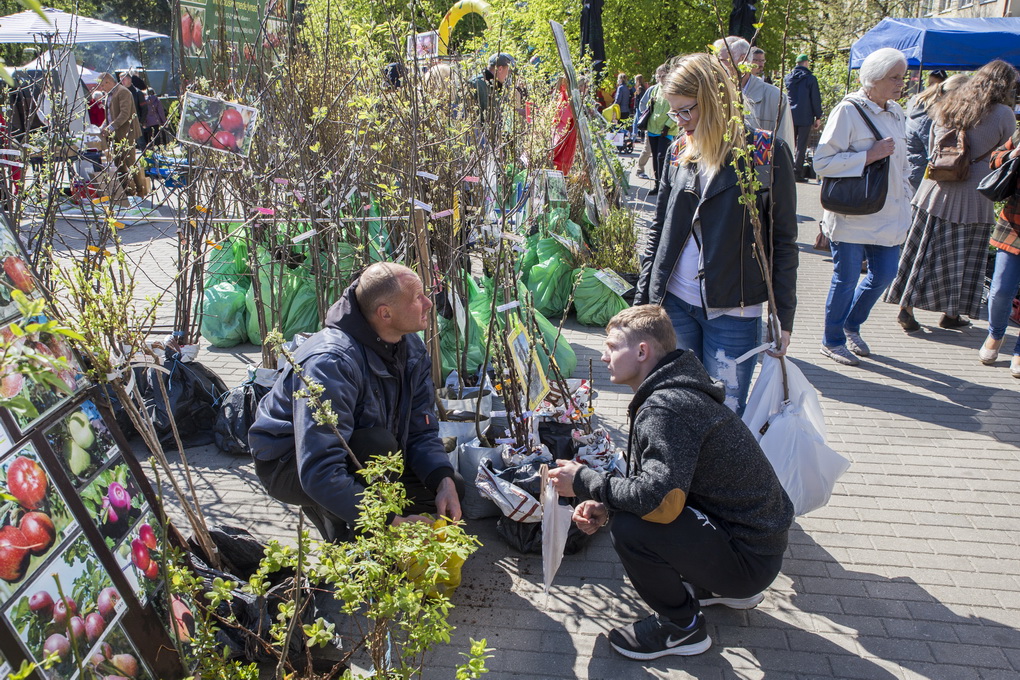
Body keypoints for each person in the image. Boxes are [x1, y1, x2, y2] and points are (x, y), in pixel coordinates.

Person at [548, 305, 793, 661]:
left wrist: (585, 481)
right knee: (632, 511)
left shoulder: (666, 408)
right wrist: (606, 502)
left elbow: (655, 497)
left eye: (612, 346)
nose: (603, 356)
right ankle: (717, 586)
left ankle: (682, 628)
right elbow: (666, 482)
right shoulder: (674, 390)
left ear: (643, 351)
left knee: (632, 527)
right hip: (755, 544)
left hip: (750, 559)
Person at [633, 53, 798, 414]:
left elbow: (783, 241)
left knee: (722, 413)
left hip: (734, 310)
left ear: (713, 99)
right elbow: (659, 229)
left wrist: (783, 315)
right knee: (678, 406)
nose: (680, 122)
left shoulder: (765, 153)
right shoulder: (679, 151)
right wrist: (644, 301)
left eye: (686, 111)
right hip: (675, 302)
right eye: (674, 113)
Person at [249, 263, 462, 542]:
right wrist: (390, 522)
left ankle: (355, 511)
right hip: (291, 464)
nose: (428, 303)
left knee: (448, 486)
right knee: (378, 445)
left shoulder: (411, 348)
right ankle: (336, 517)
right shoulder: (331, 362)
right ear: (385, 313)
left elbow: (420, 429)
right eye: (417, 298)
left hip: (358, 451)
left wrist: (443, 480)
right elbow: (319, 469)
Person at [885, 59, 1018, 332]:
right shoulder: (1004, 114)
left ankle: (906, 307)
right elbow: (1004, 156)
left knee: (922, 252)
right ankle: (951, 313)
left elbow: (934, 146)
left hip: (935, 188)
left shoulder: (952, 103)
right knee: (964, 258)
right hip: (975, 195)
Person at [813, 48, 912, 366]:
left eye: (902, 77)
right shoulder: (848, 111)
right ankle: (832, 339)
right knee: (845, 277)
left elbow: (902, 164)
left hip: (888, 212)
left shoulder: (896, 111)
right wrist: (868, 155)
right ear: (873, 78)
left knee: (885, 274)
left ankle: (851, 324)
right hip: (853, 213)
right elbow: (822, 162)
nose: (901, 83)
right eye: (894, 77)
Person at [980, 130, 1020, 378]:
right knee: (1001, 289)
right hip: (1015, 223)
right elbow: (994, 158)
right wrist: (1013, 154)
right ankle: (995, 334)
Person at [714, 36, 794, 145]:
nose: (715, 66)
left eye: (721, 61)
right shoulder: (713, 95)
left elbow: (784, 146)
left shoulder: (775, 98)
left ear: (743, 60)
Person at [904, 74, 968, 193]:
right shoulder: (930, 116)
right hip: (923, 175)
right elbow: (936, 153)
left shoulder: (921, 106)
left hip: (915, 169)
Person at [96, 72, 143, 201]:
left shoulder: (123, 92)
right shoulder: (109, 95)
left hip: (126, 133)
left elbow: (124, 114)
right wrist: (102, 127)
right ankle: (128, 191)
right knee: (119, 164)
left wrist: (110, 127)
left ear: (108, 82)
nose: (101, 88)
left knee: (130, 162)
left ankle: (140, 190)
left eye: (102, 85)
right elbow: (110, 116)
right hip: (116, 134)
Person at [784, 54, 823, 182]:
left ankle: (787, 170)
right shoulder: (810, 79)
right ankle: (797, 173)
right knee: (801, 146)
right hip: (805, 115)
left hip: (790, 115)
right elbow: (815, 98)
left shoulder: (788, 78)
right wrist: (818, 116)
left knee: (790, 142)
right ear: (806, 63)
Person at [642, 64, 679, 196]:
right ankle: (657, 185)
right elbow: (648, 106)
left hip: (667, 130)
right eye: (659, 76)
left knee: (662, 157)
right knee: (655, 158)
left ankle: (665, 185)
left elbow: (675, 110)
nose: (661, 78)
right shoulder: (655, 89)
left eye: (664, 75)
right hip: (653, 127)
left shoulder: (674, 89)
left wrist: (668, 125)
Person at [470, 52, 515, 119]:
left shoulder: (499, 86)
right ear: (500, 69)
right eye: (509, 71)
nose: (510, 75)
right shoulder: (475, 84)